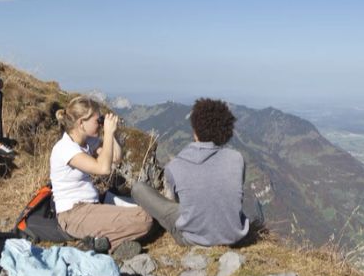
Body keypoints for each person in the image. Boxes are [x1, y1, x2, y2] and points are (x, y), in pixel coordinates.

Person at [132, 98, 263, 247]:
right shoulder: (237, 159)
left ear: (195, 131)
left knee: (138, 189)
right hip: (235, 237)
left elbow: (179, 203)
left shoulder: (175, 166)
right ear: (225, 131)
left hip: (193, 240)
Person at [51, 96, 153, 256]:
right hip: (73, 214)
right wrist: (107, 133)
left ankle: (104, 240)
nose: (100, 123)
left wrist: (111, 134)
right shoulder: (65, 149)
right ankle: (95, 247)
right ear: (81, 123)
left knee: (150, 208)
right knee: (145, 218)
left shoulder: (86, 141)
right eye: (97, 120)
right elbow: (104, 168)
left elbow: (116, 158)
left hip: (92, 204)